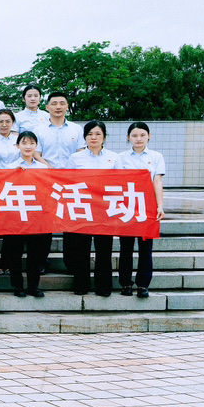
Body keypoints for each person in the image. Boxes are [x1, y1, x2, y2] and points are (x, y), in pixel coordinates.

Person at [68, 120, 120, 297]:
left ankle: (103, 286)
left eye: (98, 134)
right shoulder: (76, 158)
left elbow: (120, 182)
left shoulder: (114, 157)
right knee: (81, 249)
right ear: (84, 138)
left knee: (104, 249)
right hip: (83, 207)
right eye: (89, 134)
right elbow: (68, 181)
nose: (93, 137)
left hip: (105, 209)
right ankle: (81, 284)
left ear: (104, 137)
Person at [116, 121, 165, 298]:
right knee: (126, 247)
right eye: (134, 135)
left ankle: (143, 284)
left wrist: (160, 206)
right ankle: (126, 283)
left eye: (142, 135)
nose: (138, 139)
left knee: (146, 247)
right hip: (127, 206)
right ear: (128, 137)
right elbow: (116, 182)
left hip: (147, 206)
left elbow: (157, 182)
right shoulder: (120, 158)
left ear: (149, 136)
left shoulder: (156, 156)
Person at [3, 131, 51, 298]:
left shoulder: (43, 168)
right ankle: (17, 286)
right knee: (15, 254)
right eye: (24, 143)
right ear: (17, 146)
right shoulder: (10, 167)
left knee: (35, 254)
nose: (28, 146)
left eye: (31, 143)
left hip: (37, 217)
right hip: (16, 216)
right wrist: (14, 175)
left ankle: (33, 286)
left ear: (36, 146)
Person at [38, 91, 84, 167]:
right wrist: (49, 168)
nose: (58, 107)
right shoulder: (38, 130)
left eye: (62, 104)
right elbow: (36, 154)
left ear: (67, 107)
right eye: (54, 104)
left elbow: (81, 151)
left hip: (72, 172)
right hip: (47, 172)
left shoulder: (77, 129)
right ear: (47, 107)